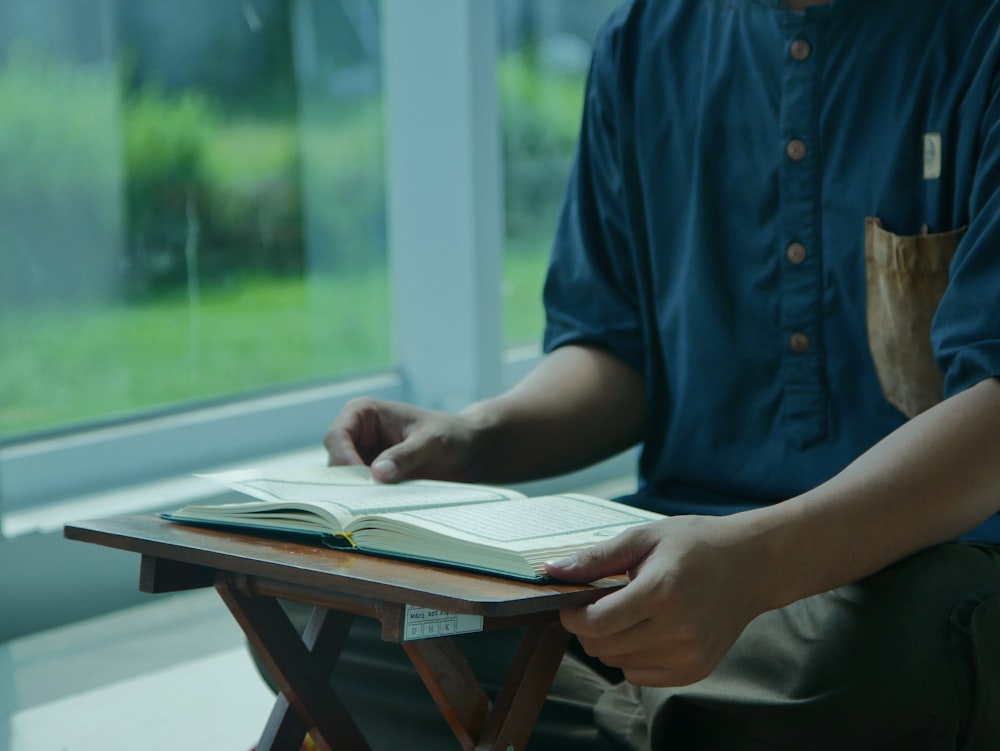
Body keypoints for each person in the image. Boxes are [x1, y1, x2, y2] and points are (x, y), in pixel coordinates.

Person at [318, 0, 1000, 748]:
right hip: (656, 557)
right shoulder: (643, 37)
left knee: (896, 646)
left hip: (909, 567)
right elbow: (615, 350)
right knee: (327, 620)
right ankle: (654, 724)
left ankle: (571, 719)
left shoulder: (980, 36)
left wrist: (755, 565)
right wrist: (475, 436)